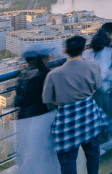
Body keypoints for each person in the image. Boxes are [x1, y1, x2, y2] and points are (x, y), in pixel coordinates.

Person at [42, 36, 104, 174]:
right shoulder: (94, 66)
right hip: (89, 115)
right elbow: (97, 87)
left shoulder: (54, 74)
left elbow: (48, 101)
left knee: (68, 160)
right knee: (93, 153)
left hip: (66, 120)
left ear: (64, 51)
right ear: (84, 49)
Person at [15, 45, 59, 174]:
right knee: (44, 153)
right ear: (43, 58)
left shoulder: (22, 75)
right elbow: (52, 100)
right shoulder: (45, 75)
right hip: (43, 119)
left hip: (24, 120)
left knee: (31, 154)